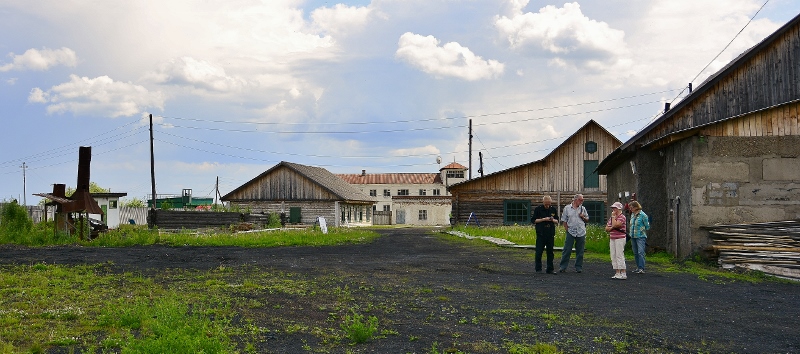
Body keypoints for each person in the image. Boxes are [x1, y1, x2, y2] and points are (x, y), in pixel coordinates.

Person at [559, 194, 589, 273]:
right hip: (571, 231)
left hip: (581, 231)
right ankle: (563, 267)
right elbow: (564, 220)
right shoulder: (567, 208)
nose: (582, 201)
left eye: (582, 200)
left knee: (580, 250)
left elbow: (587, 219)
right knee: (567, 249)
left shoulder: (583, 209)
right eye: (580, 200)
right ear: (575, 200)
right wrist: (567, 229)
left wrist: (583, 217)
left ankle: (578, 267)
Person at [532, 195, 559, 274]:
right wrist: (543, 219)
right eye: (546, 204)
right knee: (539, 252)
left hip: (550, 233)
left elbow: (557, 221)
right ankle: (538, 269)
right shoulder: (538, 209)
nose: (547, 205)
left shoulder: (553, 209)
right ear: (543, 202)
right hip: (541, 233)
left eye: (549, 204)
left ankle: (550, 269)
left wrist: (552, 220)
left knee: (550, 252)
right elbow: (534, 220)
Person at [606, 202, 627, 279]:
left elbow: (616, 225)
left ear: (618, 209)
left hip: (620, 238)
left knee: (619, 255)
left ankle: (623, 272)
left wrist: (613, 220)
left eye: (615, 208)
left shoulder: (622, 217)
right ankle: (617, 272)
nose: (613, 209)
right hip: (612, 237)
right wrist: (612, 228)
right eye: (613, 208)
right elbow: (607, 228)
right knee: (613, 255)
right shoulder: (612, 218)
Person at [628, 201, 650, 274]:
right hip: (633, 236)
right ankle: (638, 267)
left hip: (640, 236)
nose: (630, 209)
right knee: (635, 252)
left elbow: (647, 226)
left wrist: (641, 229)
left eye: (631, 208)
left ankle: (641, 268)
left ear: (635, 207)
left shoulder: (643, 215)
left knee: (640, 252)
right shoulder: (632, 215)